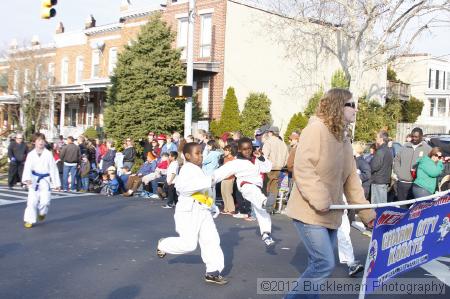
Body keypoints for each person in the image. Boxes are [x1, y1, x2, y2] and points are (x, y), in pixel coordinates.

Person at [284, 89, 375, 299]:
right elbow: (303, 168)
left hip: (332, 213)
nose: (355, 109)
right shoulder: (315, 129)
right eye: (351, 104)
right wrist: (319, 199)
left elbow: (352, 181)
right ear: (337, 105)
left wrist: (367, 215)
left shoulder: (344, 139)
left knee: (317, 266)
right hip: (310, 211)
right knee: (324, 263)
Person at [157, 142, 227, 285]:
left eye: (201, 153)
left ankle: (213, 272)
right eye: (197, 153)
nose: (201, 156)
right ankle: (163, 244)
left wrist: (211, 205)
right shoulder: (186, 170)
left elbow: (203, 192)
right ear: (188, 156)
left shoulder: (198, 169)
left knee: (211, 241)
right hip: (188, 212)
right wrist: (210, 180)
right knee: (189, 245)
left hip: (203, 211)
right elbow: (184, 188)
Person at [213, 137, 275, 246]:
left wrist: (261, 157)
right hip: (245, 185)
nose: (247, 151)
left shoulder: (256, 159)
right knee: (254, 193)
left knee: (261, 210)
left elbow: (268, 168)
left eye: (249, 148)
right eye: (244, 149)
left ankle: (266, 233)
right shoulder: (236, 162)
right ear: (239, 150)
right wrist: (206, 182)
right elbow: (219, 173)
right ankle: (265, 202)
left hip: (257, 188)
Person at [22, 133, 61, 228]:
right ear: (34, 142)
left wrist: (56, 183)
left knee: (45, 202)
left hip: (45, 180)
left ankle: (42, 213)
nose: (41, 142)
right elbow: (27, 168)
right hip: (34, 179)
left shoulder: (48, 154)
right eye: (39, 140)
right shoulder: (31, 155)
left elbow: (53, 169)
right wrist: (27, 179)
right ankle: (29, 220)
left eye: (42, 140)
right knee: (31, 202)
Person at [393, 127, 432, 202]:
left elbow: (431, 166)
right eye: (412, 136)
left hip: (418, 185)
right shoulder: (404, 146)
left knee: (414, 209)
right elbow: (397, 160)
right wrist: (398, 172)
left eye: (416, 137)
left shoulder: (428, 149)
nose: (414, 138)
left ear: (421, 136)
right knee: (402, 208)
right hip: (403, 183)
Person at [262, 126, 289, 211]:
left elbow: (264, 156)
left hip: (269, 167)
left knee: (266, 187)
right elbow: (286, 158)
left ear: (271, 133)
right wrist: (281, 165)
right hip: (278, 168)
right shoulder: (283, 144)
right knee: (274, 187)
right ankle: (271, 207)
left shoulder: (268, 142)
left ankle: (265, 205)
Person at [370, 130, 393, 204]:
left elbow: (374, 166)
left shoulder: (380, 151)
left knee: (377, 206)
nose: (376, 140)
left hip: (378, 181)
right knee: (382, 205)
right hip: (384, 180)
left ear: (381, 139)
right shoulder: (388, 150)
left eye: (377, 138)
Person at [220, 145, 236, 215]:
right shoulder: (225, 158)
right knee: (223, 193)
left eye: (226, 150)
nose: (225, 151)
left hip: (230, 178)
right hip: (224, 177)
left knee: (228, 193)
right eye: (224, 150)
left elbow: (233, 170)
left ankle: (232, 209)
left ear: (230, 151)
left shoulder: (233, 159)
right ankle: (226, 208)